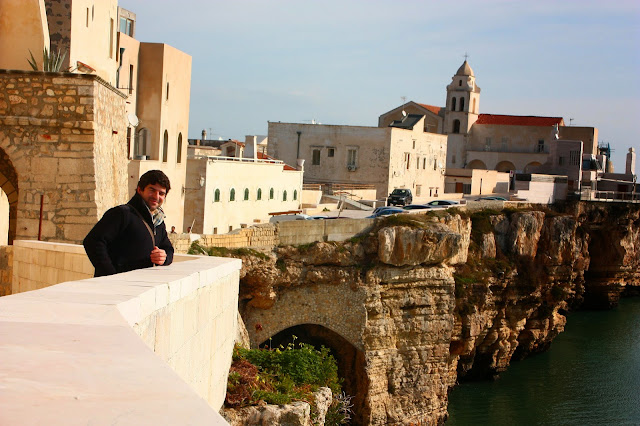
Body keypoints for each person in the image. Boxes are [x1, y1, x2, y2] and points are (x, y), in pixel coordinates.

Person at [83, 170, 174, 277]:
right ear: (140, 189)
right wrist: (110, 275)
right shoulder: (122, 214)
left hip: (141, 283)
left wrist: (164, 257)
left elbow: (168, 249)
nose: (156, 196)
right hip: (117, 284)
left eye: (161, 193)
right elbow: (93, 241)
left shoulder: (158, 221)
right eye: (152, 190)